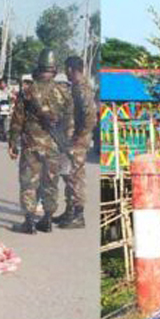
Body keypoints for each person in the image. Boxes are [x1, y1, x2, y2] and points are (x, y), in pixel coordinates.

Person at [8, 49, 73, 234]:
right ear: (54, 69)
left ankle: (28, 222)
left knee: (29, 183)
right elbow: (70, 123)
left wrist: (12, 143)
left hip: (31, 145)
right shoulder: (64, 91)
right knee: (51, 183)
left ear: (38, 68)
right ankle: (47, 220)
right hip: (54, 146)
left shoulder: (28, 91)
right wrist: (66, 146)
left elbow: (17, 120)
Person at [53, 56, 98, 229]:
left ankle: (78, 215)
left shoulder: (81, 89)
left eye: (67, 70)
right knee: (68, 174)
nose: (66, 73)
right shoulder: (77, 88)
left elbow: (90, 116)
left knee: (75, 176)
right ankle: (70, 210)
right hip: (72, 138)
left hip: (77, 141)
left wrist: (80, 135)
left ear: (71, 69)